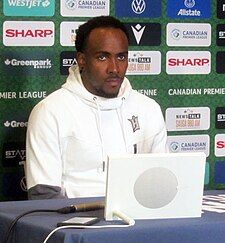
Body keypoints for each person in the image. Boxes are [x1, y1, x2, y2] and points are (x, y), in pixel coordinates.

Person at [26, 15, 168, 200]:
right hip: (75, 224)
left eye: (121, 57)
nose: (114, 68)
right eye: (102, 57)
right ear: (82, 60)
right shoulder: (50, 111)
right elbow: (43, 196)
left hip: (139, 222)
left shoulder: (149, 109)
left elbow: (163, 182)